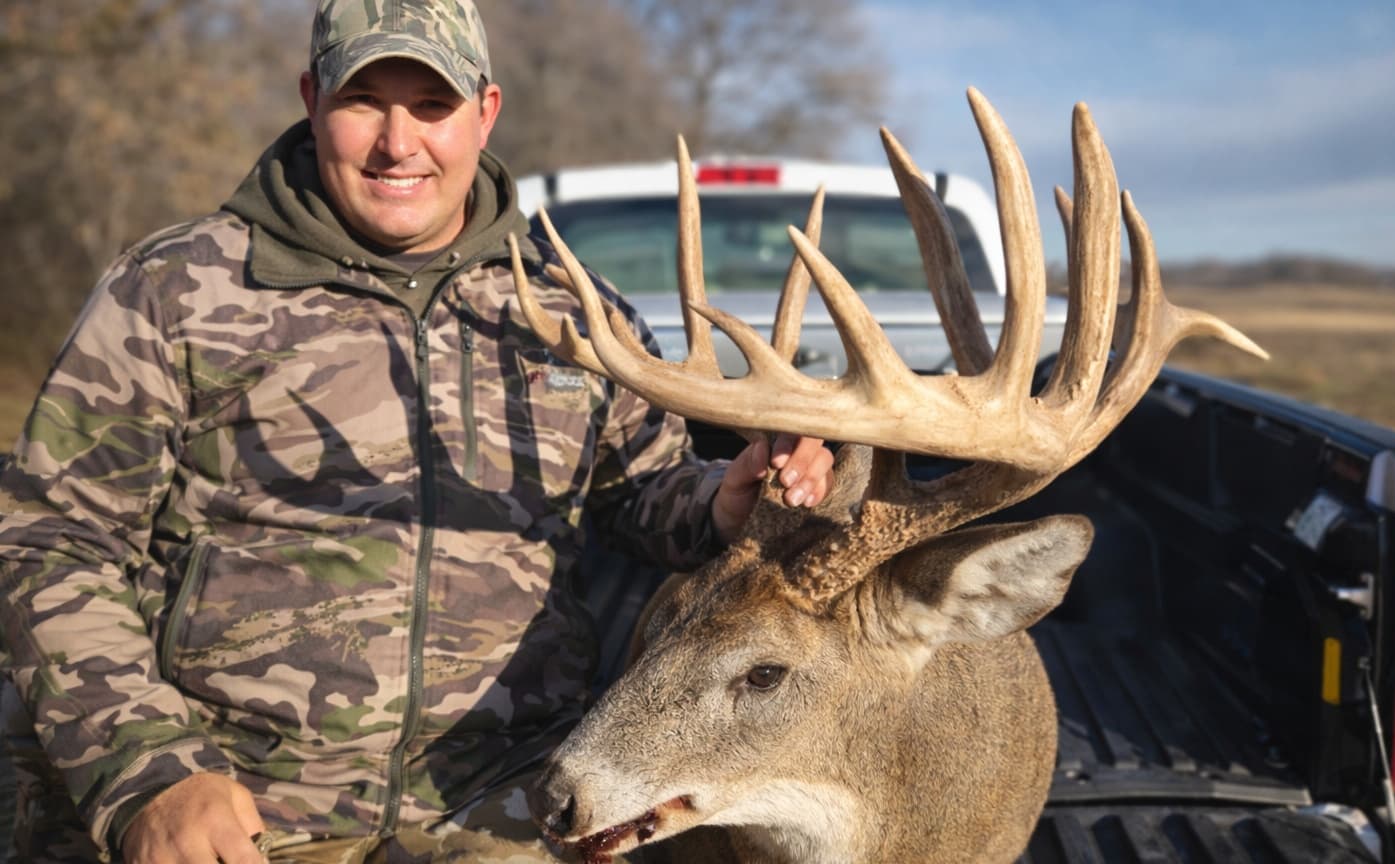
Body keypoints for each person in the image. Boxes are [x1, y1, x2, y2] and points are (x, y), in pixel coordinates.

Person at [0, 1, 834, 861]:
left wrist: (720, 504)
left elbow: (636, 489)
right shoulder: (178, 289)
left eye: (432, 106)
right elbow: (50, 542)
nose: (399, 143)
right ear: (311, 100)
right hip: (244, 812)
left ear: (485, 112)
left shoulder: (565, 311)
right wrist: (149, 775)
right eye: (365, 100)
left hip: (514, 803)